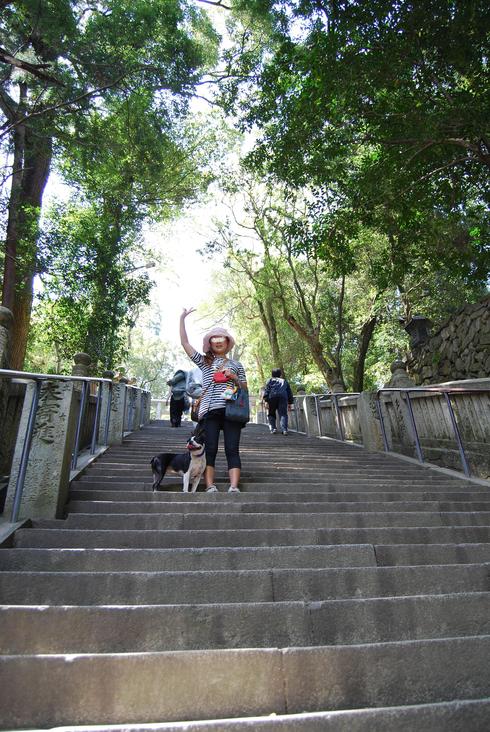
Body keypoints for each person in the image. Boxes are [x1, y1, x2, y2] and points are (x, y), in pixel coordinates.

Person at [180, 308, 247, 493]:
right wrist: (182, 319)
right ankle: (210, 485)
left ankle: (234, 487)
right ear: (210, 344)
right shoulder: (204, 362)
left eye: (221, 339)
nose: (218, 342)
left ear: (227, 343)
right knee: (210, 450)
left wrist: (233, 377)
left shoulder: (236, 365)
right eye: (214, 340)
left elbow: (245, 388)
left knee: (232, 449)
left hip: (232, 411)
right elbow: (185, 343)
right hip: (210, 411)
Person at [263, 368, 294, 435]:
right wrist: (290, 402)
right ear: (280, 374)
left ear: (272, 374)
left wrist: (266, 401)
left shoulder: (269, 380)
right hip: (283, 397)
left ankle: (273, 429)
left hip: (272, 397)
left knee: (271, 413)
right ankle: (284, 430)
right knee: (283, 414)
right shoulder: (284, 381)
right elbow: (289, 392)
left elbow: (267, 391)